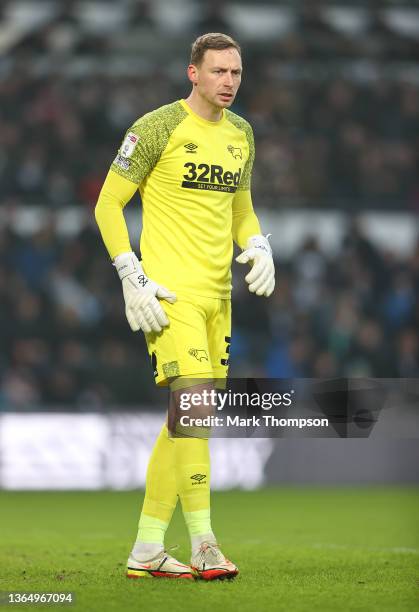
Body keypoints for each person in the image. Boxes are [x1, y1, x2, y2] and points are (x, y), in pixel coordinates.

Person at [95, 32, 275, 581]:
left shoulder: (242, 133)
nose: (229, 82)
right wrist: (131, 274)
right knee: (195, 414)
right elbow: (108, 205)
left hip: (219, 296)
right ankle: (204, 544)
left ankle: (147, 549)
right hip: (169, 294)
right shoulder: (156, 127)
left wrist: (259, 242)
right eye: (219, 71)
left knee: (182, 423)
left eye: (236, 73)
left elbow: (240, 210)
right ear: (192, 73)